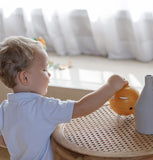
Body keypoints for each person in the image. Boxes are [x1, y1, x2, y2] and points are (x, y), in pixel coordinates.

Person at [0, 36, 128, 160]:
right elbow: (81, 108)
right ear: (25, 78)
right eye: (44, 69)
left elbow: (3, 140)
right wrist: (111, 86)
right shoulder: (44, 107)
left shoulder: (5, 108)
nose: (49, 74)